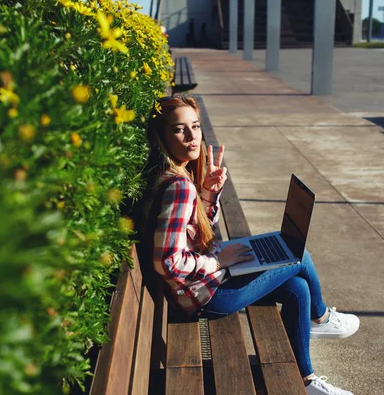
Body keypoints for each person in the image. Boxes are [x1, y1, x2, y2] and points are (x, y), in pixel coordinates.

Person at [139, 95, 360, 395]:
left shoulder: (178, 175)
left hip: (205, 282)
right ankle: (320, 318)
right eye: (180, 129)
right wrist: (220, 262)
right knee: (297, 254)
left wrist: (208, 193)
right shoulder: (178, 187)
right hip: (205, 297)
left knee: (298, 288)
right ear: (163, 136)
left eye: (195, 126)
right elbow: (168, 261)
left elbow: (191, 232)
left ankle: (306, 382)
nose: (192, 137)